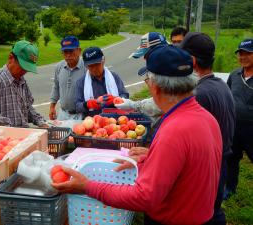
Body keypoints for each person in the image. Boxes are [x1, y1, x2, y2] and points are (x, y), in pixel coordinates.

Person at [53, 45, 222, 225]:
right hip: (202, 216)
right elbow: (190, 164)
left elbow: (144, 197)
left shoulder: (174, 131)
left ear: (155, 87)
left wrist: (87, 187)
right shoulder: (207, 118)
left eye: (147, 80)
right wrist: (153, 157)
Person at [180, 32, 235, 225]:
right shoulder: (221, 85)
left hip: (207, 168)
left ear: (192, 61)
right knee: (213, 209)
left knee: (203, 215)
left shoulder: (199, 94)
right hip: (221, 163)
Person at [0, 40, 48, 128]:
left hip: (20, 136)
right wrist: (10, 127)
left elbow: (27, 108)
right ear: (11, 57)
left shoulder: (22, 81)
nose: (24, 72)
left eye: (27, 69)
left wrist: (41, 122)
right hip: (0, 136)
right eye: (22, 67)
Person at [116, 32, 167, 124]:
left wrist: (134, 105)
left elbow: (163, 102)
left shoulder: (168, 73)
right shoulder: (165, 66)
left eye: (146, 55)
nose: (144, 58)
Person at [225, 39, 253, 199]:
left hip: (251, 127)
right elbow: (228, 97)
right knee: (232, 158)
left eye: (248, 53)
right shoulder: (234, 75)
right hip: (234, 126)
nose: (243, 57)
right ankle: (230, 187)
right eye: (241, 53)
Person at [75, 47, 129, 117]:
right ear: (86, 66)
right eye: (91, 66)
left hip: (115, 118)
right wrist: (88, 104)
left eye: (97, 64)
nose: (94, 69)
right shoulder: (81, 82)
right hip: (92, 121)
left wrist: (116, 99)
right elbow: (77, 107)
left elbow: (125, 95)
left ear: (103, 61)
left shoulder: (114, 76)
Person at [49, 36, 86, 120]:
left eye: (71, 51)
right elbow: (56, 87)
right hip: (63, 114)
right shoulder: (59, 67)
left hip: (81, 115)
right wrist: (52, 107)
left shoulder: (86, 68)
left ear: (79, 51)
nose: (68, 55)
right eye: (65, 52)